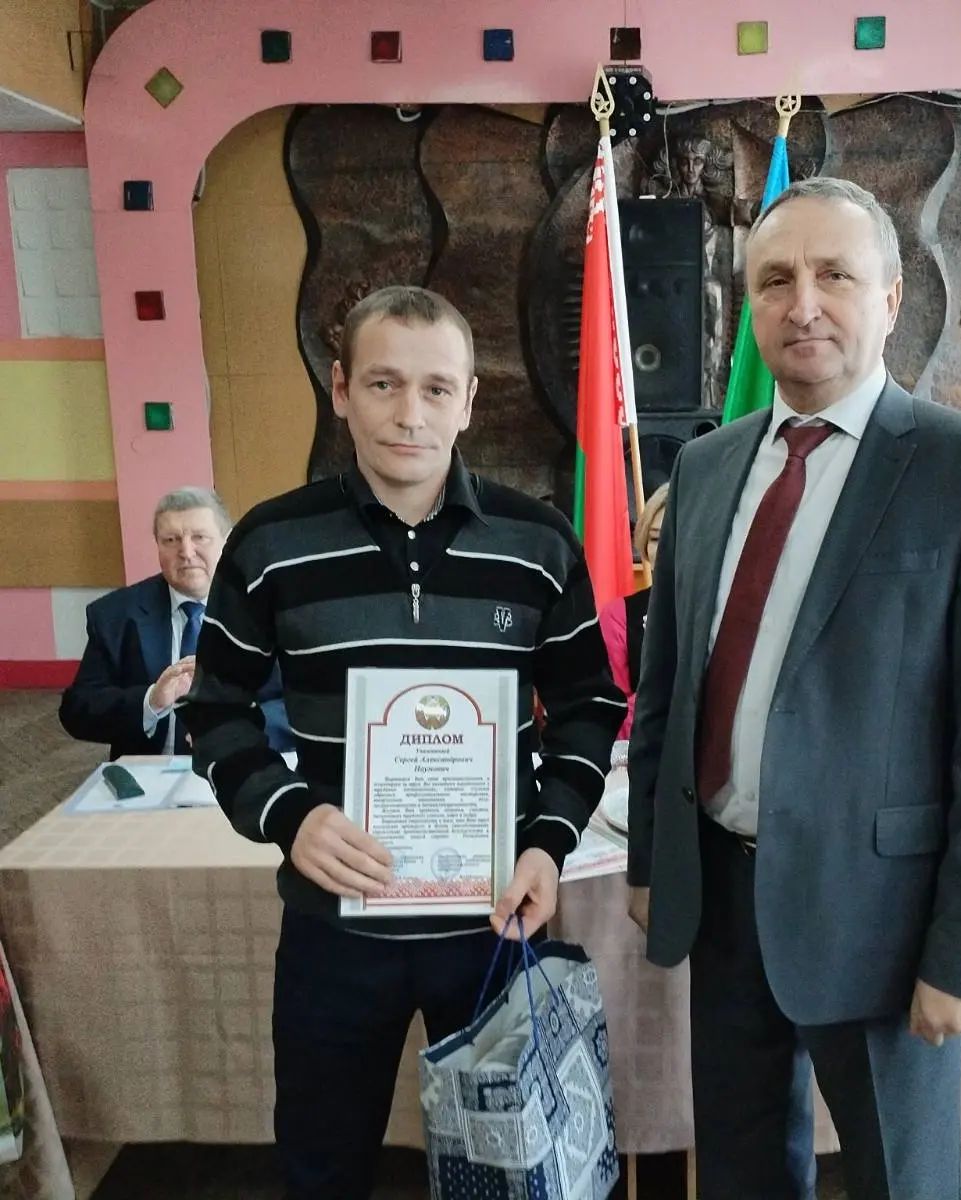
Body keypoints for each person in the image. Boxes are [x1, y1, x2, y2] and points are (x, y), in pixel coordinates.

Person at [626, 177, 961, 1200]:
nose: (803, 304)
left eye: (835, 275)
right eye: (776, 280)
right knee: (739, 1174)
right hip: (721, 902)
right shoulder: (704, 469)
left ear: (893, 298)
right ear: (749, 304)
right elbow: (667, 689)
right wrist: (653, 859)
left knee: (900, 1181)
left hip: (886, 922)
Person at [182, 286, 624, 1200]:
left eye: (435, 388)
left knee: (511, 1171)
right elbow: (216, 708)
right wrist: (289, 814)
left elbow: (588, 706)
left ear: (469, 401)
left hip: (495, 921)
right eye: (383, 384)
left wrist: (548, 843)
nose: (409, 414)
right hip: (335, 928)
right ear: (341, 389)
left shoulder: (537, 542)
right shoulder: (270, 543)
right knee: (323, 1163)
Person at [58, 488, 290, 759]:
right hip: (153, 770)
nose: (186, 552)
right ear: (157, 545)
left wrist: (237, 728)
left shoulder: (269, 609)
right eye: (171, 540)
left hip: (245, 762)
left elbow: (305, 701)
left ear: (228, 541)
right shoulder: (116, 614)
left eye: (200, 537)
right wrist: (150, 701)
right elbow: (77, 710)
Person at [599, 482, 669, 740]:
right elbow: (611, 713)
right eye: (656, 538)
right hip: (643, 751)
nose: (665, 548)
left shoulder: (724, 611)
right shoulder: (620, 615)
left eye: (676, 535)